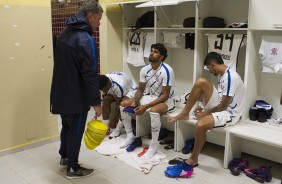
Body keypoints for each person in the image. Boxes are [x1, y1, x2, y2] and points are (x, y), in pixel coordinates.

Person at [166, 51, 245, 177]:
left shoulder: (231, 77)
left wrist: (205, 113)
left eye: (208, 68)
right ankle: (184, 113)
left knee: (200, 125)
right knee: (201, 81)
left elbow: (224, 106)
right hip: (221, 107)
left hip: (230, 113)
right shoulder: (224, 75)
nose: (209, 70)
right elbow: (220, 99)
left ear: (212, 64)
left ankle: (193, 159)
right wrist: (203, 107)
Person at [50, 0, 103, 179]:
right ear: (90, 16)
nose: (99, 23)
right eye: (99, 19)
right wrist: (96, 102)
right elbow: (90, 74)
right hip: (75, 96)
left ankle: (65, 157)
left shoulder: (65, 32)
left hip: (60, 93)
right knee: (76, 130)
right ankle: (72, 168)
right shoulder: (85, 39)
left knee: (66, 126)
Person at [119, 43, 175, 159]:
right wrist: (136, 100)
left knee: (154, 111)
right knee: (124, 104)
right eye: (151, 50)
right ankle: (130, 135)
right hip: (152, 96)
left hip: (167, 100)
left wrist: (145, 106)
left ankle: (153, 146)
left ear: (162, 57)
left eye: (156, 52)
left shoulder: (167, 70)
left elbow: (165, 95)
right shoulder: (145, 69)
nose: (152, 53)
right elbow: (140, 89)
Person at [99, 72, 138, 139]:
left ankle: (118, 129)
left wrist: (113, 120)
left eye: (104, 90)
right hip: (115, 88)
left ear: (108, 85)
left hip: (130, 89)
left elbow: (118, 104)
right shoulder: (103, 80)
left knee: (123, 104)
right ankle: (105, 126)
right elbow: (104, 95)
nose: (104, 91)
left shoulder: (120, 86)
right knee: (105, 99)